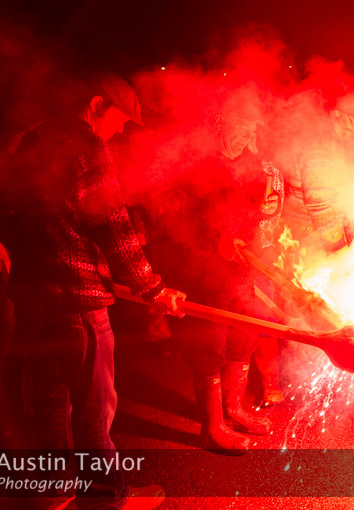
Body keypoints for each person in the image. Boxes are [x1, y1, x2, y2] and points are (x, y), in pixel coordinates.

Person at [0, 73, 183, 510]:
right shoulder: (87, 148)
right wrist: (153, 287)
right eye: (118, 120)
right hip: (77, 298)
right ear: (96, 104)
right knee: (95, 403)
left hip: (34, 296)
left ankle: (55, 490)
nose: (118, 131)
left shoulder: (36, 140)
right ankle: (107, 496)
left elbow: (1, 205)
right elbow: (112, 224)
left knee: (51, 398)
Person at [150, 95, 279, 453]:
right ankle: (212, 426)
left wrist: (259, 218)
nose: (248, 133)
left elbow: (252, 212)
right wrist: (213, 239)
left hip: (241, 268)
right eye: (242, 124)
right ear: (222, 121)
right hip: (203, 269)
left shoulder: (253, 164)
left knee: (245, 333)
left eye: (253, 127)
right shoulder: (197, 165)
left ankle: (234, 408)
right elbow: (176, 218)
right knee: (209, 345)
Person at [281, 92, 354, 251]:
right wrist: (337, 245)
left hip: (316, 234)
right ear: (337, 114)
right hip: (310, 239)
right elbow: (318, 203)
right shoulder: (321, 147)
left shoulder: (333, 139)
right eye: (353, 122)